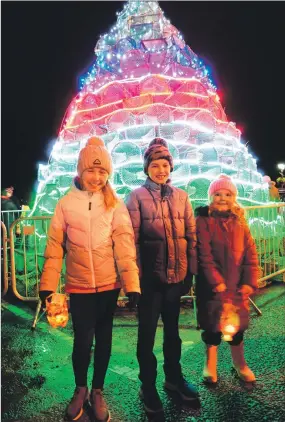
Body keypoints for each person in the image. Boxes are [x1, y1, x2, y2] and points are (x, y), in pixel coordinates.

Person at [39, 137, 140, 422]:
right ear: (80, 171)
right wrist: (47, 284)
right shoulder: (65, 204)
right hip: (79, 286)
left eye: (102, 172)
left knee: (104, 340)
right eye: (91, 171)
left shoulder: (114, 204)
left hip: (108, 286)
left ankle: (98, 390)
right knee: (82, 342)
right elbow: (55, 246)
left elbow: (124, 246)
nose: (96, 178)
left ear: (108, 174)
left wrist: (131, 284)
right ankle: (80, 389)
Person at [126, 138, 199, 414]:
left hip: (175, 279)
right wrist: (133, 281)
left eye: (165, 164)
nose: (160, 169)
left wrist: (190, 272)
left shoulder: (181, 197)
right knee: (146, 336)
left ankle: (173, 378)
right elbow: (129, 242)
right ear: (146, 168)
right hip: (148, 283)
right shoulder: (135, 197)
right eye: (155, 164)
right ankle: (148, 385)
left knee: (172, 334)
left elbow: (191, 237)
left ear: (171, 167)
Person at [195, 174, 258, 384]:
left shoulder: (240, 222)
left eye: (228, 194)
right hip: (212, 289)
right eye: (218, 194)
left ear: (234, 197)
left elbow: (251, 254)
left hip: (236, 288)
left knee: (237, 328)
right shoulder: (203, 221)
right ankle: (210, 364)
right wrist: (216, 281)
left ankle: (239, 363)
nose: (223, 198)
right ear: (211, 196)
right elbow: (204, 255)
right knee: (212, 327)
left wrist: (249, 281)